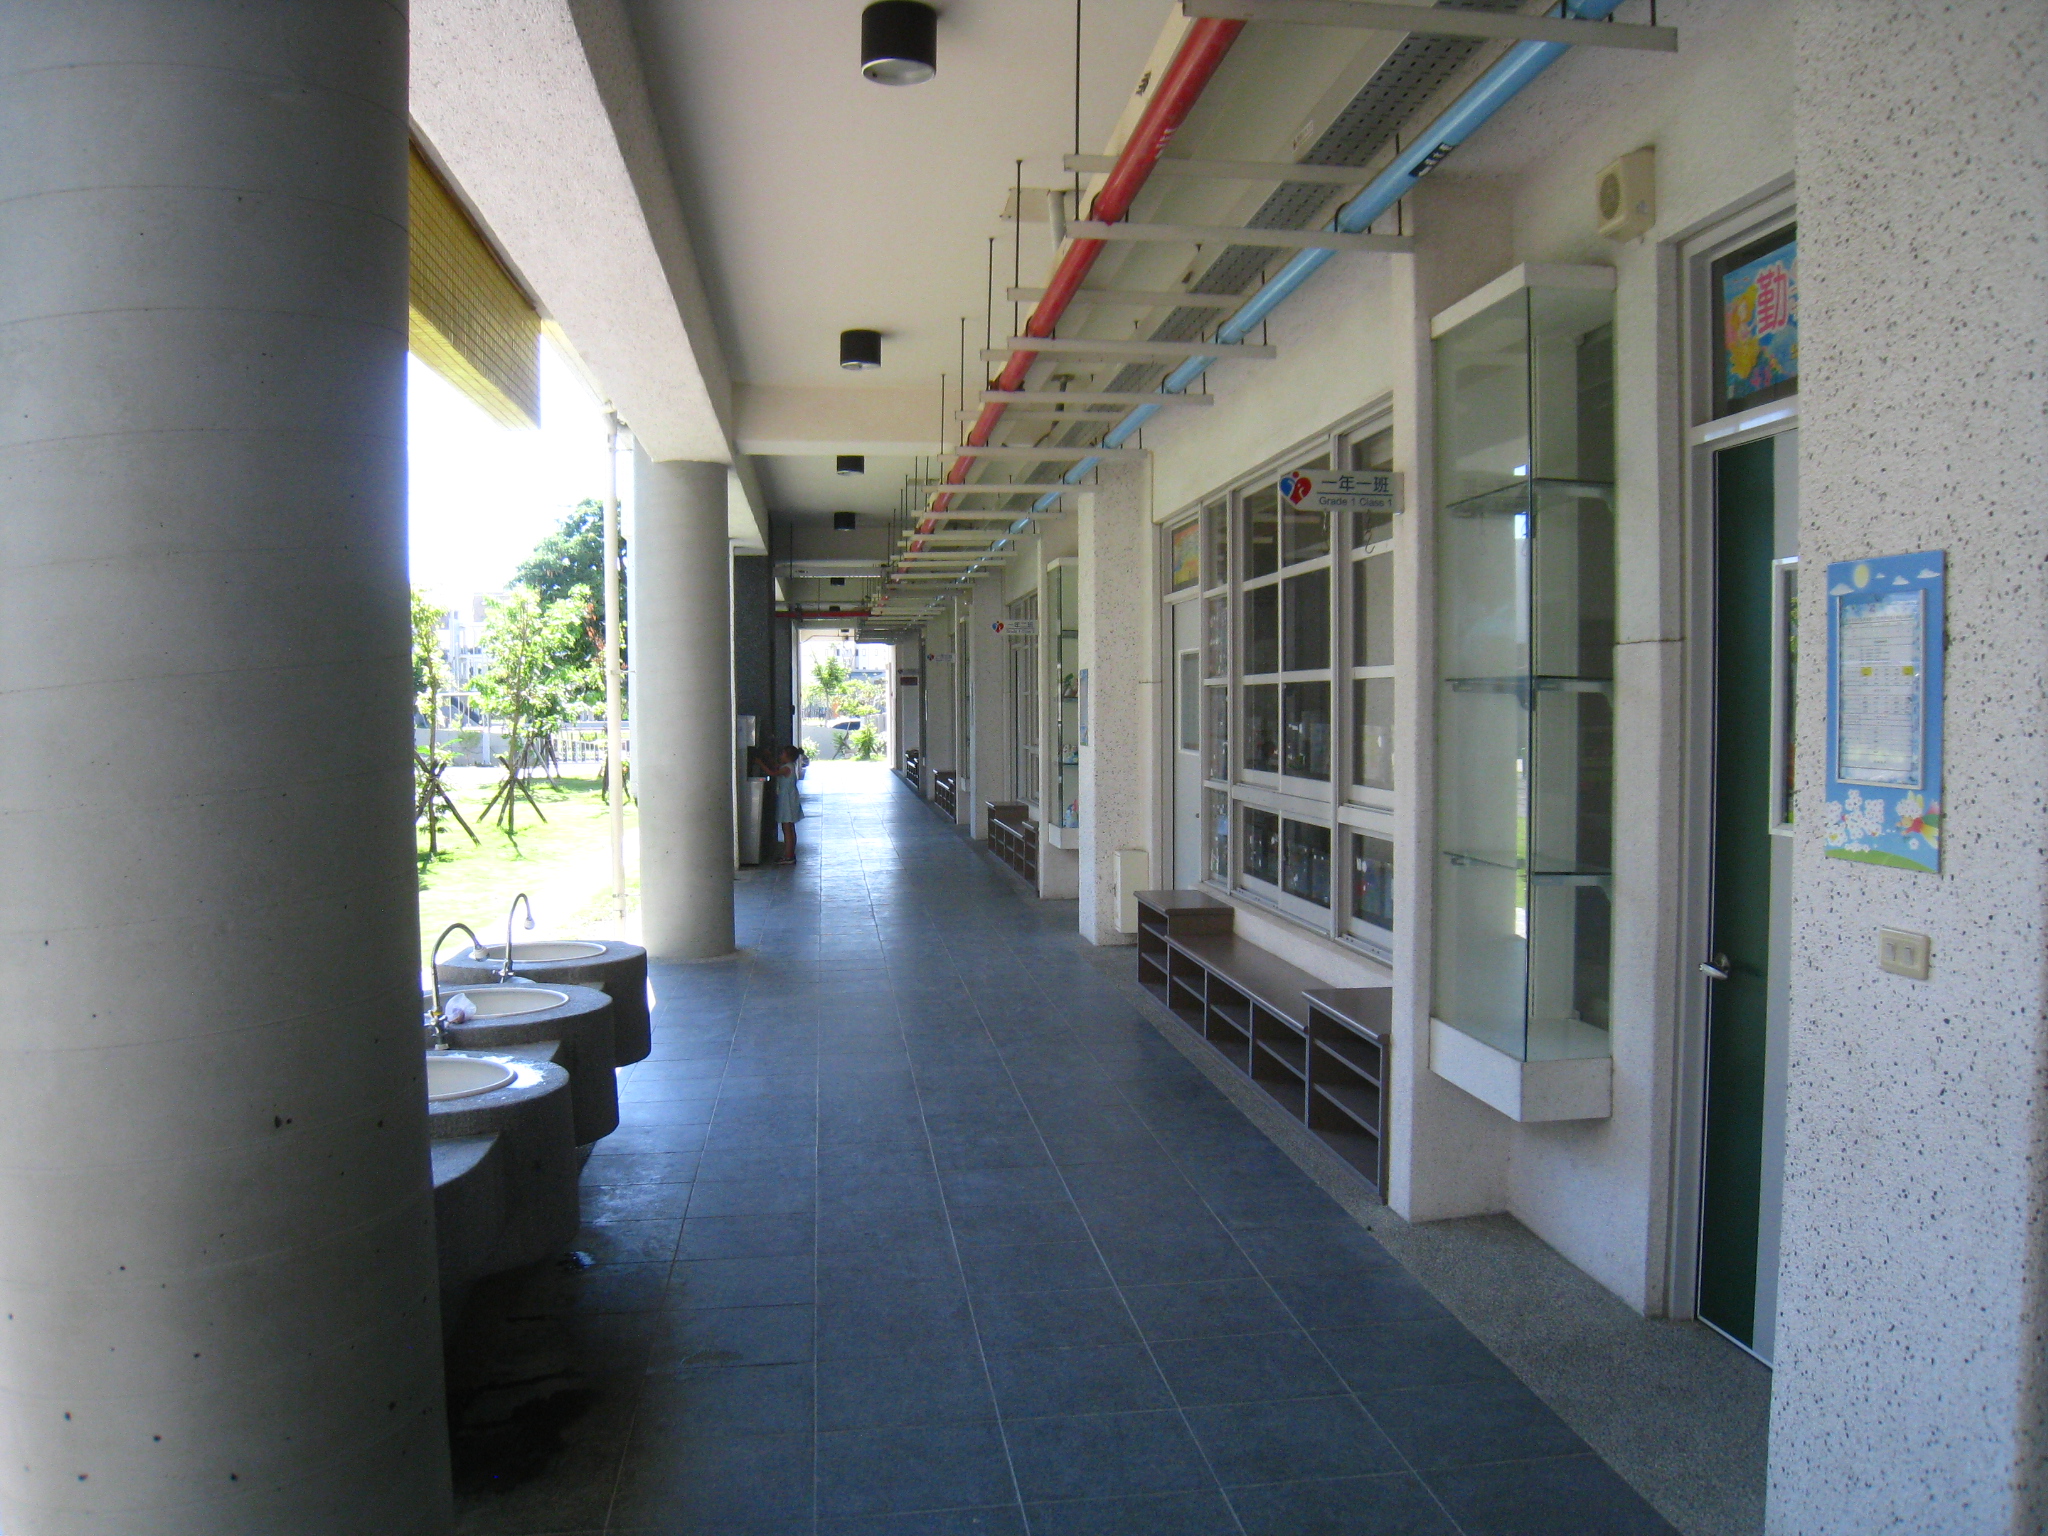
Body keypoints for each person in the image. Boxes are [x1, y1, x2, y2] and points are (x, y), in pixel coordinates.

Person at [770, 743, 805, 863]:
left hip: (787, 801)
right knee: (790, 827)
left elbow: (773, 773)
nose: (780, 756)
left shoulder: (786, 768)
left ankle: (788, 855)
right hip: (790, 799)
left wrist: (760, 763)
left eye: (782, 754)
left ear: (787, 756)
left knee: (787, 828)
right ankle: (790, 853)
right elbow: (776, 767)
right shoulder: (790, 766)